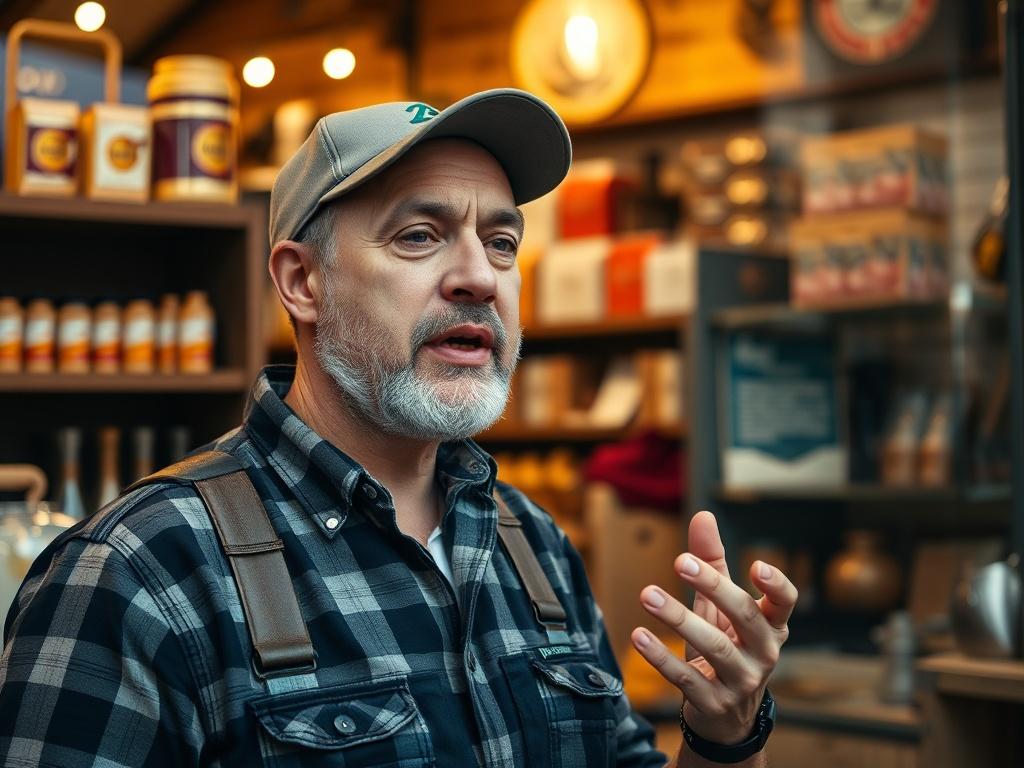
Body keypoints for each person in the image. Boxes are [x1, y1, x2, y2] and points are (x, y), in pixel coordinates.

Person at [0, 88, 795, 767]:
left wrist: (723, 735)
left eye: (502, 241)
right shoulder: (141, 573)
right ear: (302, 281)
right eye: (419, 236)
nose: (480, 276)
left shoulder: (533, 545)